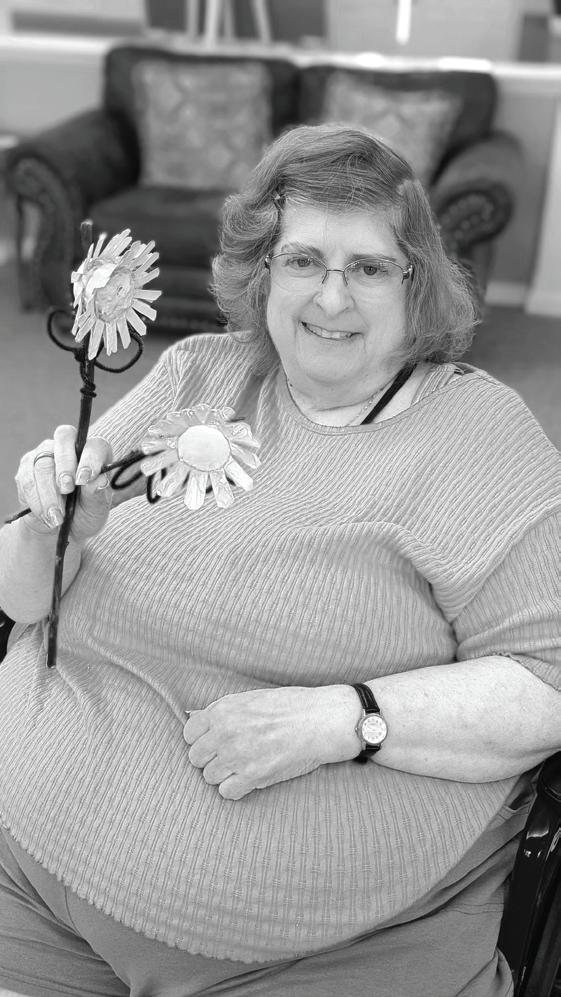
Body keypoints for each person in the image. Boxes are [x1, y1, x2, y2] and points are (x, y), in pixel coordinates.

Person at [0, 123, 560, 997]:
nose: (331, 296)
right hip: (26, 873)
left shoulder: (478, 435)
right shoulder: (197, 373)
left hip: (310, 953)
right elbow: (24, 597)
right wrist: (45, 528)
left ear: (416, 282)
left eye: (367, 267)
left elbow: (547, 682)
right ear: (263, 270)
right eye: (303, 260)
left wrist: (343, 717)